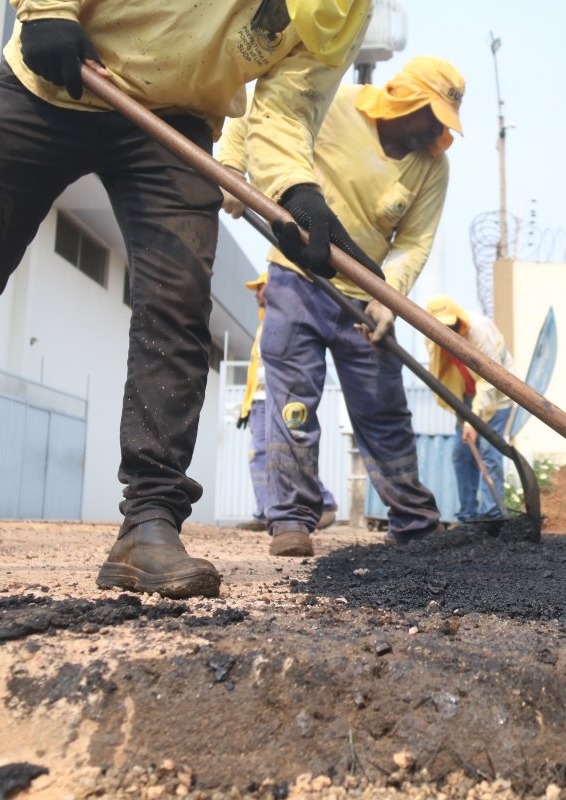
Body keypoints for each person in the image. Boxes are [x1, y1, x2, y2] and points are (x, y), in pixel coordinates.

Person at [0, 0, 374, 597]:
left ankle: (149, 522)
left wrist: (293, 188)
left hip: (175, 123)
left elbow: (288, 108)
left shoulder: (344, 9)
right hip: (53, 81)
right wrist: (50, 9)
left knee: (177, 314)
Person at [217, 56, 464, 556]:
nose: (436, 130)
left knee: (384, 412)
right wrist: (231, 168)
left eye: (444, 121)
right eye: (431, 116)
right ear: (404, 98)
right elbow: (264, 111)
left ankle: (413, 520)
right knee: (292, 406)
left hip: (363, 299)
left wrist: (385, 297)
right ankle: (291, 519)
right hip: (295, 277)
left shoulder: (433, 166)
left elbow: (413, 242)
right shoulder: (337, 103)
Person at [235, 272, 337, 532]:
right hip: (259, 400)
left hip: (276, 395)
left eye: (260, 287)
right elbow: (254, 372)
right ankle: (265, 511)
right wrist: (246, 406)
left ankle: (321, 502)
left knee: (287, 450)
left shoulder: (286, 321)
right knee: (261, 455)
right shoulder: (263, 326)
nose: (257, 293)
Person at [424, 295, 515, 522]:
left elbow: (489, 379)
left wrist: (473, 421)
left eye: (452, 325)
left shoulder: (479, 331)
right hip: (465, 396)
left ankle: (493, 515)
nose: (449, 332)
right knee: (462, 454)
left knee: (488, 453)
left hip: (497, 394)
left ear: (460, 319)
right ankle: (468, 516)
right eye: (442, 327)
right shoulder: (432, 340)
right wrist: (465, 415)